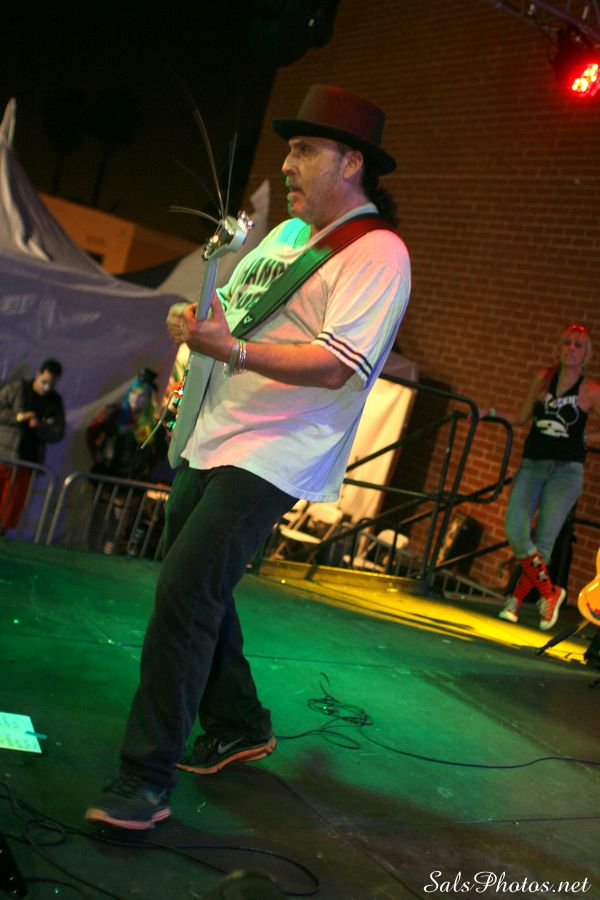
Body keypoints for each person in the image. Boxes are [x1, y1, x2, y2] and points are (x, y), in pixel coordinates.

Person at [85, 83, 411, 829]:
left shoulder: (379, 252)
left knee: (185, 590)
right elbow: (231, 313)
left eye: (304, 149)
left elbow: (338, 364)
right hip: (216, 429)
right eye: (289, 148)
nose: (287, 163)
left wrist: (229, 348)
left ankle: (144, 780)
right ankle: (237, 723)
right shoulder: (286, 234)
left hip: (278, 449)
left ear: (351, 162)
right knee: (198, 584)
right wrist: (196, 321)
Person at [482, 324, 600, 630]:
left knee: (544, 539)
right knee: (516, 529)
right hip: (533, 464)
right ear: (558, 348)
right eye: (566, 343)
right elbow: (521, 417)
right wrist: (489, 412)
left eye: (578, 345)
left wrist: (586, 439)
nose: (571, 348)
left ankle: (514, 603)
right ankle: (550, 592)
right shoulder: (543, 378)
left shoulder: (590, 389)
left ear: (586, 354)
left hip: (566, 471)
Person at [0, 359, 65, 529]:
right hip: (3, 456)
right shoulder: (18, 389)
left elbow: (58, 432)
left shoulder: (55, 402)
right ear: (37, 374)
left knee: (7, 514)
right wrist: (17, 417)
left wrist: (40, 427)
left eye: (52, 384)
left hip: (26, 463)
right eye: (44, 382)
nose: (46, 387)